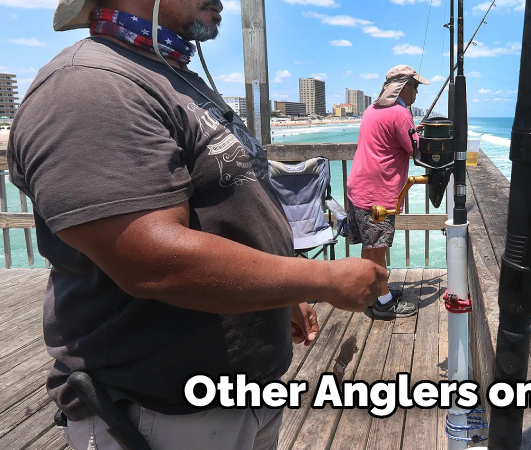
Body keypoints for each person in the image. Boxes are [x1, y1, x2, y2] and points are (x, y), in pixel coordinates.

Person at [5, 1, 387, 449]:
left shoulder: (170, 73)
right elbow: (154, 260)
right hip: (155, 410)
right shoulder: (88, 86)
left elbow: (223, 209)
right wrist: (321, 278)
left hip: (235, 393)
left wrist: (284, 293)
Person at [345, 65, 429, 319]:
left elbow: (395, 139)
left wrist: (414, 132)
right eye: (415, 87)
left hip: (358, 187)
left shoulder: (372, 109)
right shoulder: (400, 114)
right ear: (404, 87)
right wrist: (422, 137)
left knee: (370, 249)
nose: (417, 93)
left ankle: (371, 292)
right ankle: (384, 303)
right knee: (378, 249)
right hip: (378, 193)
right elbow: (417, 152)